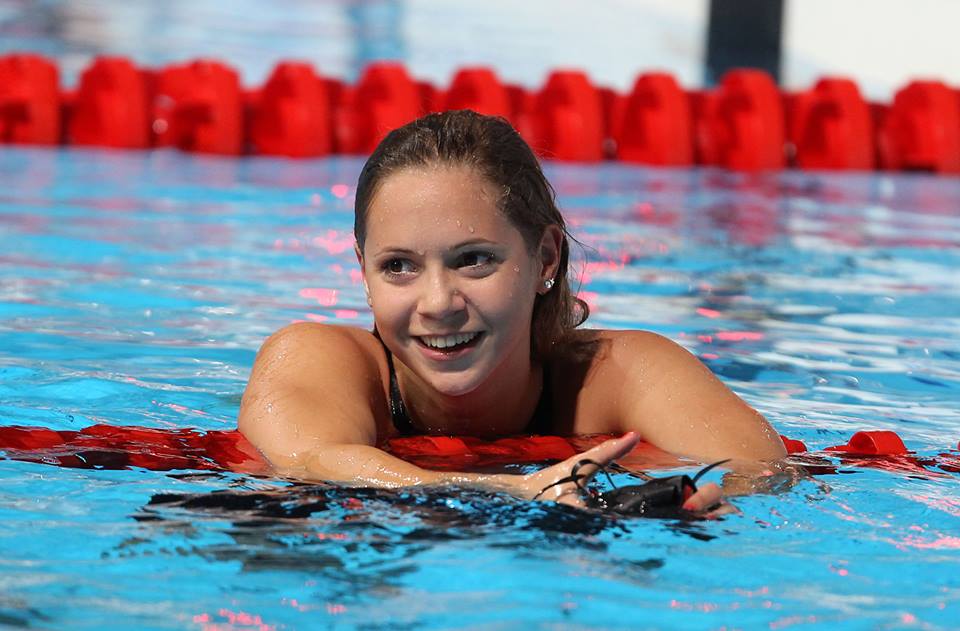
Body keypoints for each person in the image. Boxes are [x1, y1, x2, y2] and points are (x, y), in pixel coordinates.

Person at [238, 110, 787, 512]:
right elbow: (305, 463)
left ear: (545, 255)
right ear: (363, 272)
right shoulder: (320, 359)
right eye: (398, 266)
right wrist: (512, 492)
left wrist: (646, 505)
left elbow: (760, 470)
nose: (437, 304)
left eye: (474, 260)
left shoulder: (617, 374)